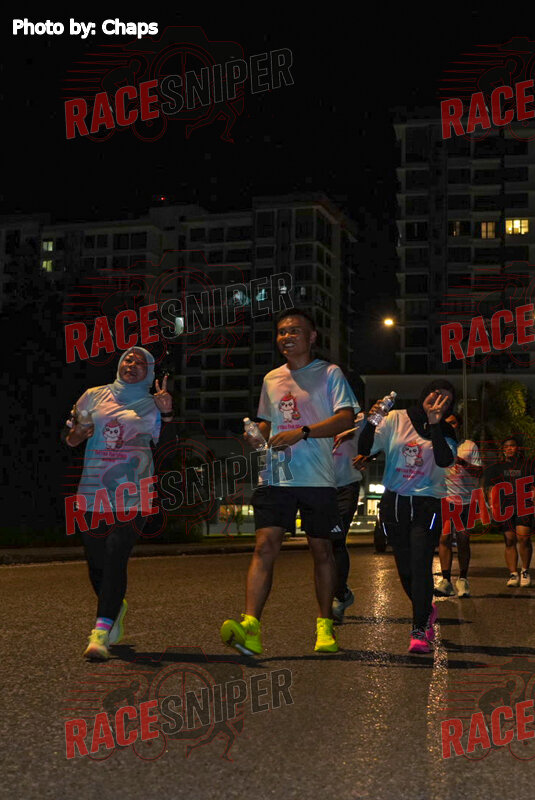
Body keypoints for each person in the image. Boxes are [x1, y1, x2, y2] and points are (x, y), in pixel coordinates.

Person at [220, 308, 357, 655]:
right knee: (264, 546)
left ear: (312, 337)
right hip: (276, 474)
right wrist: (257, 435)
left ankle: (325, 626)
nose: (286, 336)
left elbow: (346, 418)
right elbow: (268, 423)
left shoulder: (329, 373)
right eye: (282, 331)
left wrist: (303, 432)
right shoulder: (271, 379)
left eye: (295, 330)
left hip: (317, 477)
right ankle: (251, 627)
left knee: (321, 550)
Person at [64, 347, 173, 660]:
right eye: (128, 358)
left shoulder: (153, 404)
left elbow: (168, 448)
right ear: (119, 364)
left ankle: (101, 631)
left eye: (141, 362)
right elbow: (69, 437)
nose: (132, 364)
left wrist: (167, 414)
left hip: (135, 494)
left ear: (149, 373)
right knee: (96, 563)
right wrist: (76, 434)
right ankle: (114, 605)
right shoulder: (92, 395)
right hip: (93, 491)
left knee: (115, 554)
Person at [358, 380, 457, 654]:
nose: (438, 400)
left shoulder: (446, 430)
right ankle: (426, 609)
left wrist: (435, 424)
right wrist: (371, 422)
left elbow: (445, 460)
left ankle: (419, 630)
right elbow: (365, 448)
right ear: (424, 394)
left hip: (427, 504)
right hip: (395, 502)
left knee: (421, 564)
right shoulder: (395, 419)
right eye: (435, 394)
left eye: (446, 399)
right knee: (405, 570)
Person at [435, 412, 482, 598]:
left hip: (466, 500)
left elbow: (479, 472)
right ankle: (446, 581)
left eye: (454, 423)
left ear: (459, 425)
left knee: (463, 539)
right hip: (446, 498)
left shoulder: (469, 445)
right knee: (444, 538)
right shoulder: (438, 445)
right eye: (447, 423)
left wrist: (462, 462)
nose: (451, 426)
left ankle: (463, 579)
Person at [483, 436, 532, 587]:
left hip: (524, 506)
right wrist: (492, 507)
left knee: (523, 538)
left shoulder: (527, 465)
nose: (509, 449)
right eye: (506, 447)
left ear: (518, 448)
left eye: (512, 446)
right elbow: (490, 489)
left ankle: (525, 571)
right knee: (509, 540)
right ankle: (513, 574)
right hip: (505, 507)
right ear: (503, 450)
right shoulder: (496, 468)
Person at [330, 412, 366, 621]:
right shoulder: (317, 415)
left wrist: (368, 456)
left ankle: (337, 597)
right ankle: (342, 592)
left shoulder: (359, 420)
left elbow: (381, 441)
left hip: (346, 487)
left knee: (337, 539)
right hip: (319, 487)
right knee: (323, 544)